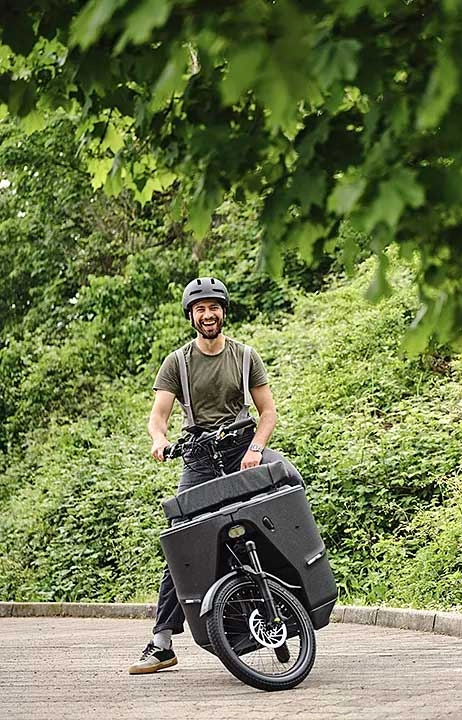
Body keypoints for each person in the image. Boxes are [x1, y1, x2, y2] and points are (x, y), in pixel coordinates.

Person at [128, 277, 302, 674]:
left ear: (224, 311)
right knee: (181, 538)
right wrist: (159, 439)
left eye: (214, 307)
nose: (208, 315)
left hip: (243, 447)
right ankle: (162, 643)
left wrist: (256, 449)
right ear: (192, 316)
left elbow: (268, 412)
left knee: (288, 485)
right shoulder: (178, 362)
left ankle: (298, 591)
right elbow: (159, 416)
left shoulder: (245, 357)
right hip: (198, 456)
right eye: (200, 309)